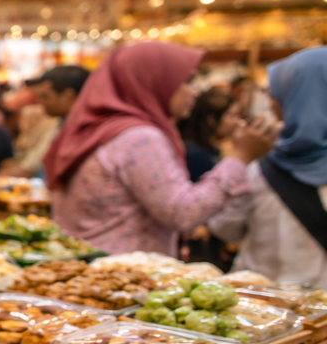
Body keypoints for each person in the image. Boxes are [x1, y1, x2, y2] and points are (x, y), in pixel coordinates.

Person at [46, 41, 280, 257]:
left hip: (88, 268)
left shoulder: (98, 128)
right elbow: (183, 213)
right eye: (186, 81)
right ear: (153, 81)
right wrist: (240, 157)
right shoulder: (139, 138)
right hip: (127, 279)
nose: (194, 92)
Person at [210, 46, 327, 287]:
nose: (272, 105)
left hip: (262, 306)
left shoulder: (259, 168)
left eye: (276, 96)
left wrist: (240, 159)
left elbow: (225, 229)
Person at [180, 88, 243, 181]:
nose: (238, 122)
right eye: (232, 116)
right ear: (212, 121)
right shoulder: (196, 154)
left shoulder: (211, 148)